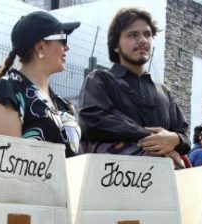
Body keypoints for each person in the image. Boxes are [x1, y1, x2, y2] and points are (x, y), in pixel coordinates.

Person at [78, 7, 191, 168]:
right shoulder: (101, 80)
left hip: (164, 184)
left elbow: (184, 135)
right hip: (114, 181)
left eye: (147, 34)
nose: (142, 40)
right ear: (116, 45)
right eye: (132, 35)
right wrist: (152, 137)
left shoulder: (164, 92)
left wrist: (175, 140)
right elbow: (93, 121)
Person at [0, 11, 81, 156]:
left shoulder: (61, 104)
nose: (67, 47)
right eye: (63, 39)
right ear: (40, 47)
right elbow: (9, 163)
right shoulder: (7, 92)